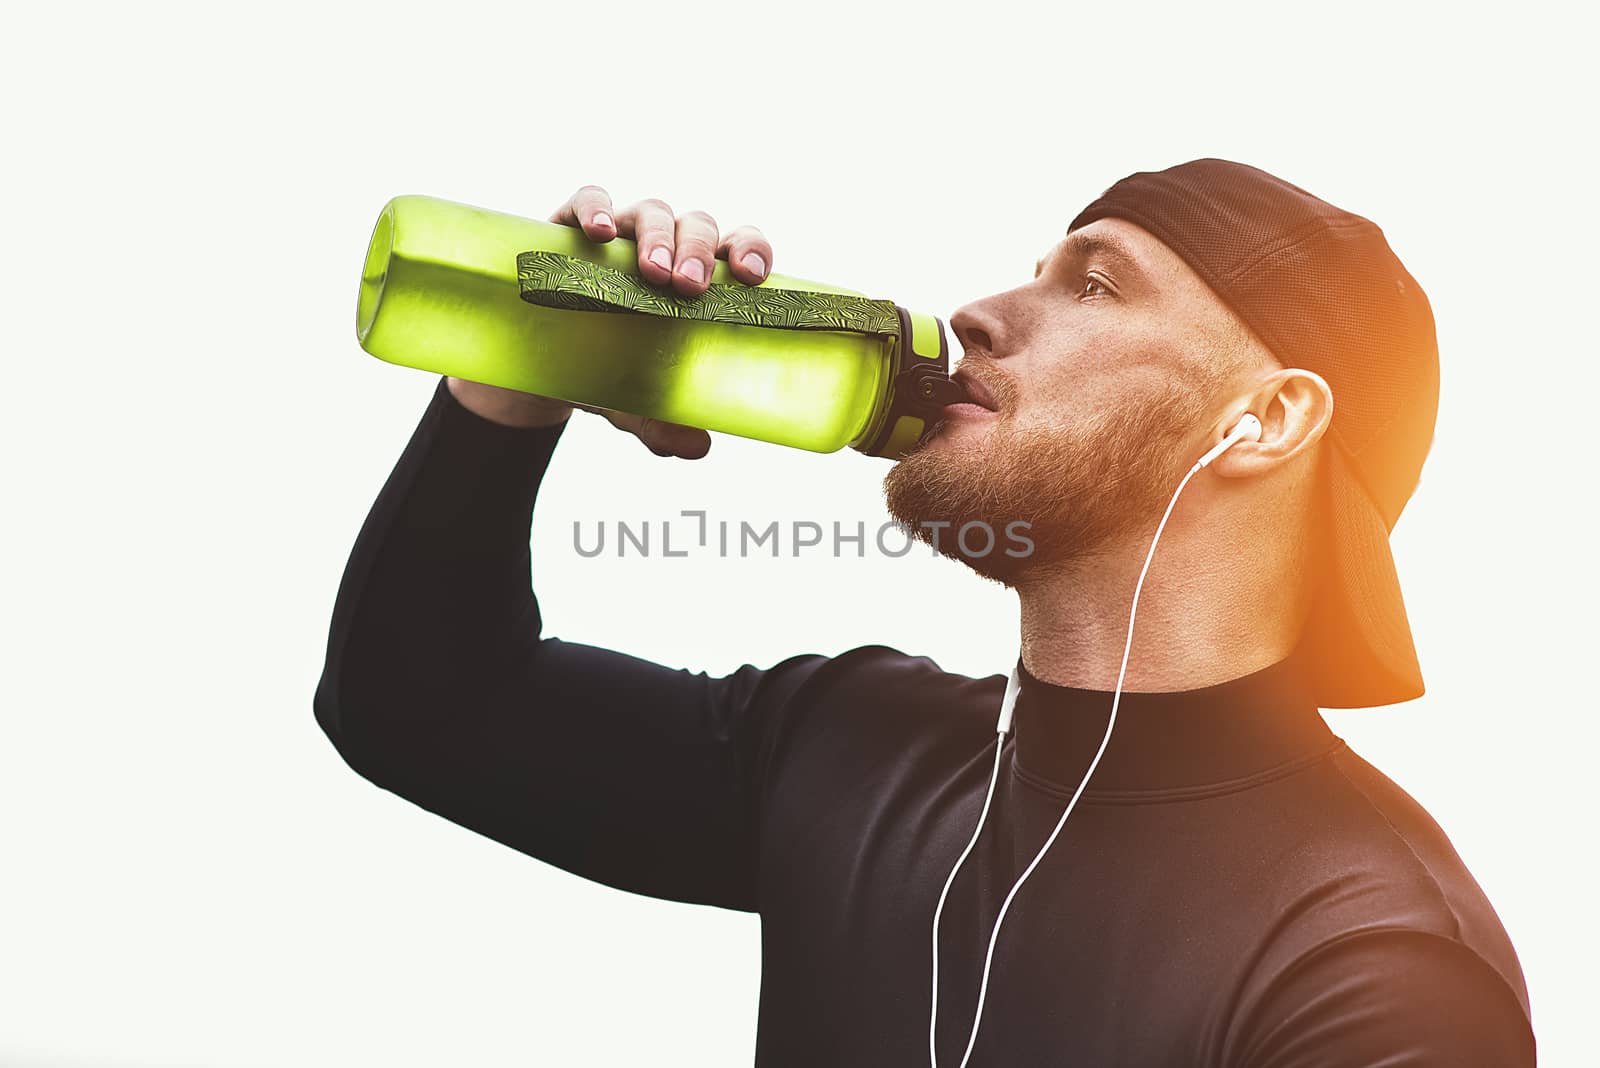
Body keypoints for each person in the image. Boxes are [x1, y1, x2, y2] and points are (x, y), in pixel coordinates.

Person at [314, 160, 1535, 1065]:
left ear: (1264, 421)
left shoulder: (1376, 966)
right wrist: (522, 371)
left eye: (1097, 286)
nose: (982, 312)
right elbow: (413, 702)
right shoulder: (849, 746)